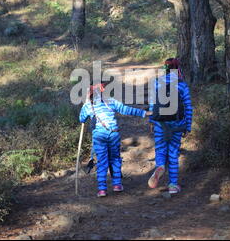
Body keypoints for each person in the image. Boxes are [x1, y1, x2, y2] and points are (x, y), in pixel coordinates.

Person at [79, 83, 151, 197]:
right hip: (113, 134)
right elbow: (126, 109)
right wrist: (144, 113)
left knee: (102, 162)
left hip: (99, 136)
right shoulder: (110, 101)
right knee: (115, 159)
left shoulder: (89, 105)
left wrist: (86, 101)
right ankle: (117, 184)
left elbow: (81, 118)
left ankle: (102, 189)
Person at [148, 58, 193, 194]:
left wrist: (151, 121)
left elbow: (152, 105)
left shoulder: (156, 83)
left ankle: (160, 166)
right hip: (177, 125)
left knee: (160, 150)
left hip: (159, 124)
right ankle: (173, 185)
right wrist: (188, 126)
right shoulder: (182, 85)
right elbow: (188, 108)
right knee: (173, 154)